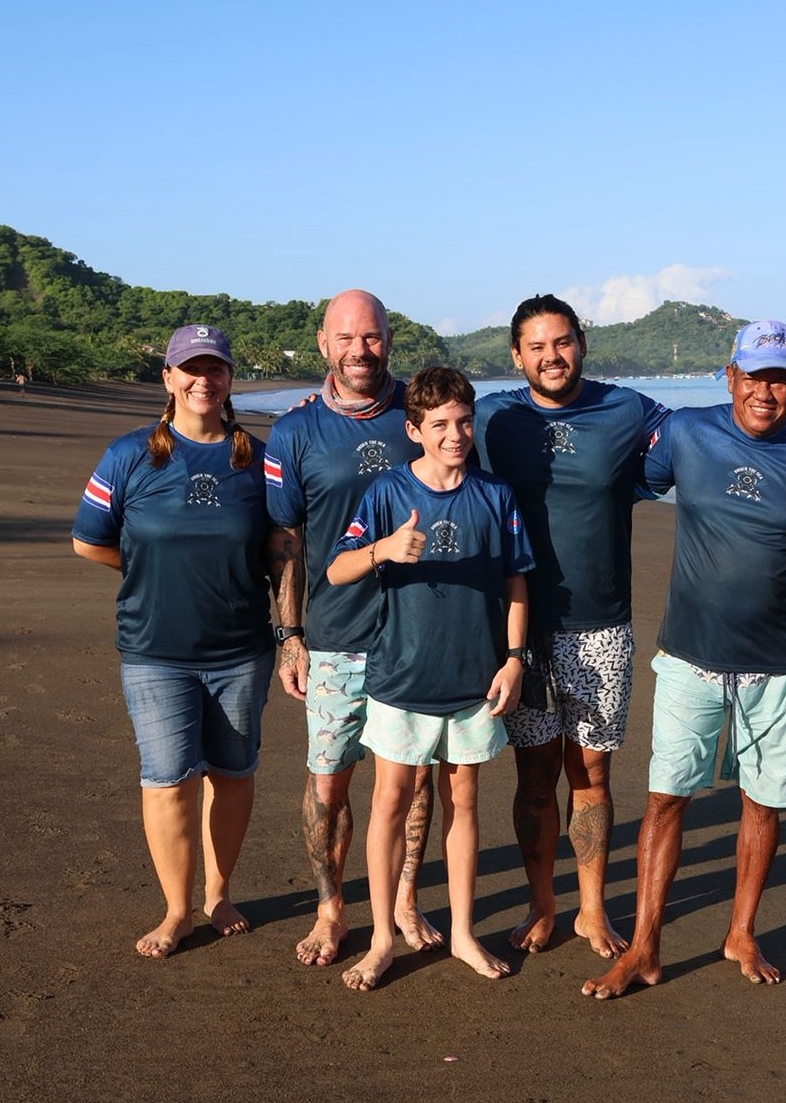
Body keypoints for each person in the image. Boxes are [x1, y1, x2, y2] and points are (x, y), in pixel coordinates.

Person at [583, 320, 786, 999]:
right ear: (729, 374)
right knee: (665, 800)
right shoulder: (686, 435)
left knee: (763, 805)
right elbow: (621, 482)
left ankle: (741, 931)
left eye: (782, 377)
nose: (766, 390)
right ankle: (645, 949)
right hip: (690, 660)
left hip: (776, 668)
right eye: (756, 375)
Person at [472, 294, 671, 958]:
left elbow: (706, 433)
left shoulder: (626, 409)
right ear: (515, 356)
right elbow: (414, 423)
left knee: (591, 773)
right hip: (520, 630)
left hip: (601, 626)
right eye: (536, 346)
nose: (551, 356)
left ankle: (591, 909)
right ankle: (541, 903)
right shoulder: (492, 416)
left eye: (562, 342)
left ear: (581, 342)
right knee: (533, 774)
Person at [326, 366, 534, 990]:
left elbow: (516, 580)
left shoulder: (496, 495)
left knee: (463, 802)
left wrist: (515, 658)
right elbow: (337, 571)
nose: (455, 435)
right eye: (439, 424)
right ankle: (384, 936)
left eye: (464, 422)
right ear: (413, 429)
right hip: (401, 677)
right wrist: (382, 551)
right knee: (389, 801)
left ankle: (464, 932)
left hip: (474, 680)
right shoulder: (387, 493)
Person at [70, 323, 274, 959]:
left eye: (215, 369)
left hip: (241, 649)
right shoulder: (130, 455)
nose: (202, 380)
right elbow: (89, 540)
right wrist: (155, 573)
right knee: (167, 778)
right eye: (190, 368)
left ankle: (219, 892)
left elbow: (283, 548)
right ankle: (177, 909)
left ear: (230, 378)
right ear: (167, 377)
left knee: (232, 772)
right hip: (155, 649)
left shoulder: (258, 459)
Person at [263, 289, 443, 967]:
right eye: (346, 338)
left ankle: (403, 900)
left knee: (414, 780)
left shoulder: (418, 415)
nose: (359, 350)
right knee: (328, 780)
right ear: (323, 344)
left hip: (416, 635)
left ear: (389, 339)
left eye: (370, 337)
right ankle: (331, 909)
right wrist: (289, 637)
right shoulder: (295, 431)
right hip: (335, 636)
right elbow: (287, 541)